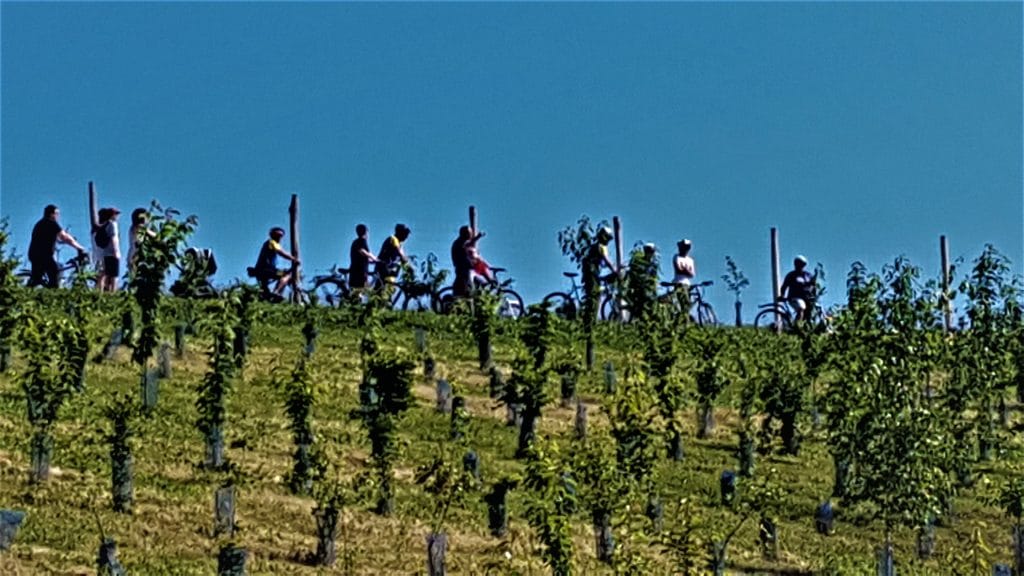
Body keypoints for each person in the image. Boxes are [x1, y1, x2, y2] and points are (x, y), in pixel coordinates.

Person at [27, 204, 88, 288]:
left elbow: (60, 239)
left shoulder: (40, 223)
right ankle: (52, 295)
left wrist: (71, 241)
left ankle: (29, 293)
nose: (58, 216)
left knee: (37, 279)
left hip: (35, 255)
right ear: (52, 214)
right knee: (54, 274)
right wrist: (79, 247)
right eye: (57, 214)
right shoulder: (51, 223)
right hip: (43, 256)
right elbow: (64, 237)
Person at [251, 227, 300, 300]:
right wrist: (294, 259)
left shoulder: (268, 244)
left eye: (280, 236)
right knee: (286, 275)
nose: (279, 238)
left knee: (265, 293)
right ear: (273, 236)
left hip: (261, 270)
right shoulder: (272, 242)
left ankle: (269, 298)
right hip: (267, 270)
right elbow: (281, 252)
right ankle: (276, 292)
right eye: (278, 236)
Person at [93, 207, 122, 292]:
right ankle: (113, 292)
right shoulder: (113, 224)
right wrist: (116, 252)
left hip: (106, 252)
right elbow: (114, 238)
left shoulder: (105, 224)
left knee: (105, 272)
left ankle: (99, 290)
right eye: (116, 214)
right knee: (114, 275)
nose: (117, 216)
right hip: (112, 252)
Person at [780, 255, 816, 322]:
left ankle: (801, 329)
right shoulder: (791, 275)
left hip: (806, 298)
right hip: (794, 297)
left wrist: (814, 296)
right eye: (798, 264)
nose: (799, 266)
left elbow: (813, 286)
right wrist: (782, 295)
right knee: (801, 308)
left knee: (807, 314)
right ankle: (797, 326)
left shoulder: (808, 275)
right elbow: (784, 286)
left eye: (801, 264)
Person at [348, 224, 377, 290]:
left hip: (356, 269)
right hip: (359, 271)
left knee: (357, 290)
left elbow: (361, 256)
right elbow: (363, 252)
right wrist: (375, 258)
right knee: (359, 289)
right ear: (366, 232)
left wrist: (371, 261)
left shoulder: (356, 242)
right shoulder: (361, 241)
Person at [126, 207, 153, 276]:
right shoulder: (140, 227)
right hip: (137, 255)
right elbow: (155, 236)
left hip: (132, 254)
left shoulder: (132, 227)